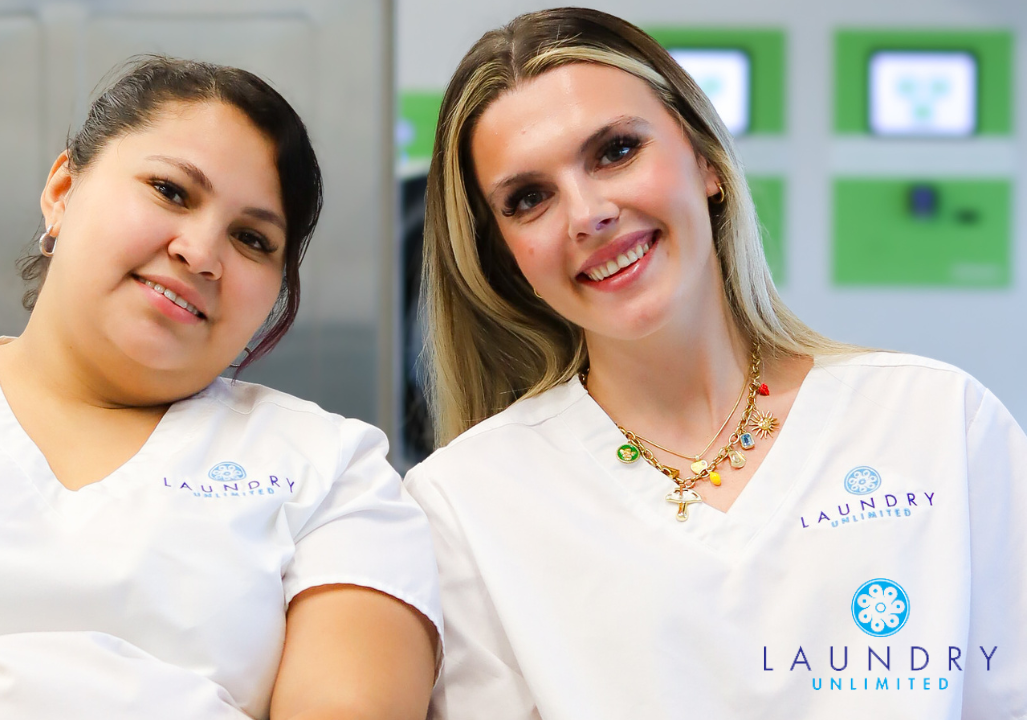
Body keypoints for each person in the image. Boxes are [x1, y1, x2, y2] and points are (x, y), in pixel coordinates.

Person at [0, 56, 440, 720]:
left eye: (253, 240)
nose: (201, 253)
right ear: (62, 193)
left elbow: (348, 707)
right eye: (171, 191)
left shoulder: (332, 470)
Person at [405, 8, 1026, 719]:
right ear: (508, 256)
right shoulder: (464, 505)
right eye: (528, 199)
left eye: (614, 152)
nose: (586, 213)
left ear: (705, 161)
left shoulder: (938, 425)